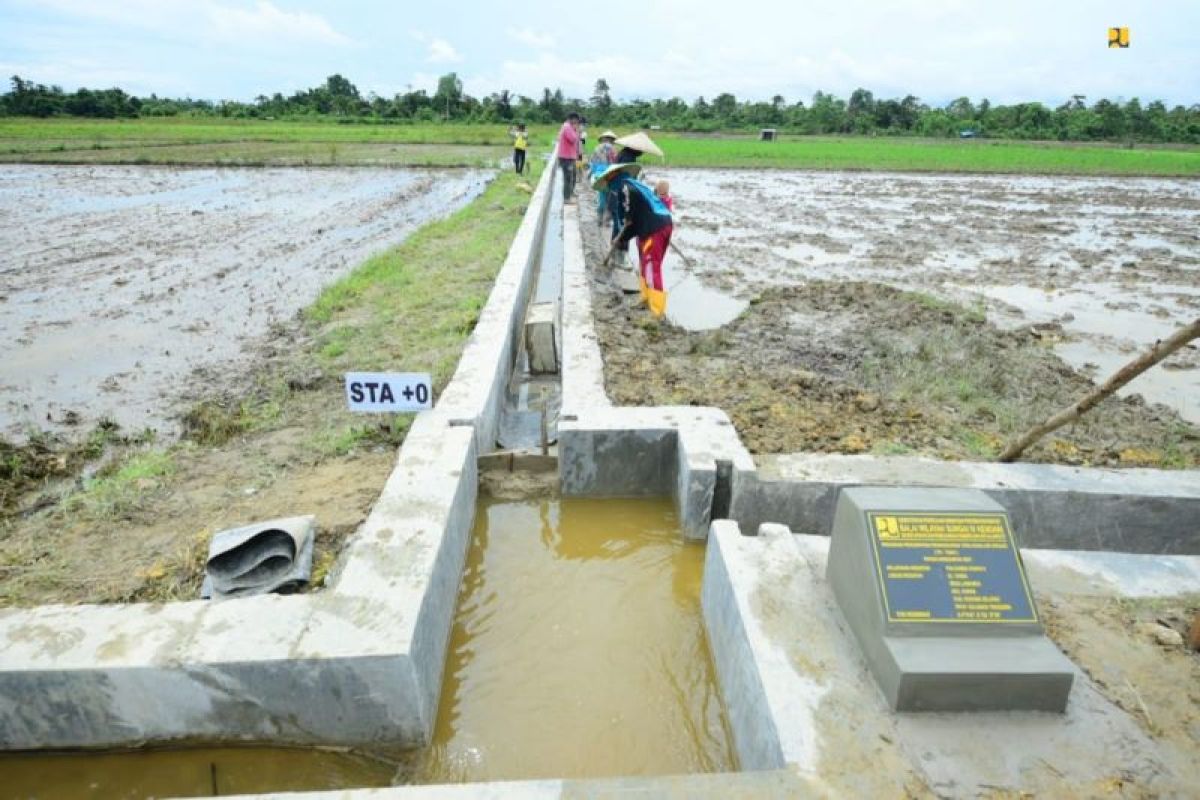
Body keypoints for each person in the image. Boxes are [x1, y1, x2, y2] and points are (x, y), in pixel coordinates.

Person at [593, 163, 674, 318]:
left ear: (613, 175)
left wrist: (621, 235)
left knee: (651, 266)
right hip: (648, 227)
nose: (607, 184)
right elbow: (630, 221)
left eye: (607, 180)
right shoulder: (630, 185)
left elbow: (629, 218)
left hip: (655, 228)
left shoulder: (625, 187)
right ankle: (645, 299)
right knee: (644, 263)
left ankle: (657, 310)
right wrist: (621, 237)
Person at [589, 131, 619, 226]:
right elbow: (615, 163)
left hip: (599, 174)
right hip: (610, 174)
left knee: (602, 196)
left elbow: (593, 163)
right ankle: (607, 220)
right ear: (612, 140)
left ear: (602, 139)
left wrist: (592, 174)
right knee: (610, 196)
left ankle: (599, 218)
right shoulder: (614, 149)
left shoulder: (597, 148)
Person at [556, 112, 582, 201]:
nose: (577, 123)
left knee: (573, 176)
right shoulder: (567, 127)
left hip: (571, 156)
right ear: (572, 119)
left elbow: (577, 142)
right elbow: (573, 139)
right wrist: (577, 131)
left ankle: (570, 193)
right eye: (576, 121)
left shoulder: (570, 127)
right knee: (568, 178)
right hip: (566, 157)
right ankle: (566, 198)